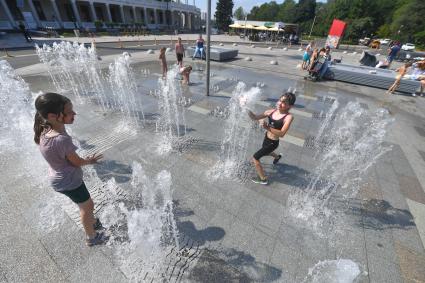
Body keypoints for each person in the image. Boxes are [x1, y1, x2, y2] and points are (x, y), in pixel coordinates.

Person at [34, 93, 107, 246]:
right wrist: (90, 161)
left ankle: (92, 221)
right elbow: (76, 162)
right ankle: (91, 236)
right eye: (69, 112)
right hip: (70, 181)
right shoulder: (62, 140)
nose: (74, 113)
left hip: (58, 179)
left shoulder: (45, 130)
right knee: (87, 207)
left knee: (83, 203)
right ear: (54, 116)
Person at [248, 91, 296, 185]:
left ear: (290, 106)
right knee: (266, 151)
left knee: (255, 158)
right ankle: (277, 157)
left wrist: (267, 127)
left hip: (273, 143)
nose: (280, 103)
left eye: (284, 102)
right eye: (280, 100)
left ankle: (263, 179)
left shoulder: (288, 117)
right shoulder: (271, 111)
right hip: (266, 138)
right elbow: (254, 117)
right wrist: (246, 108)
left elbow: (282, 133)